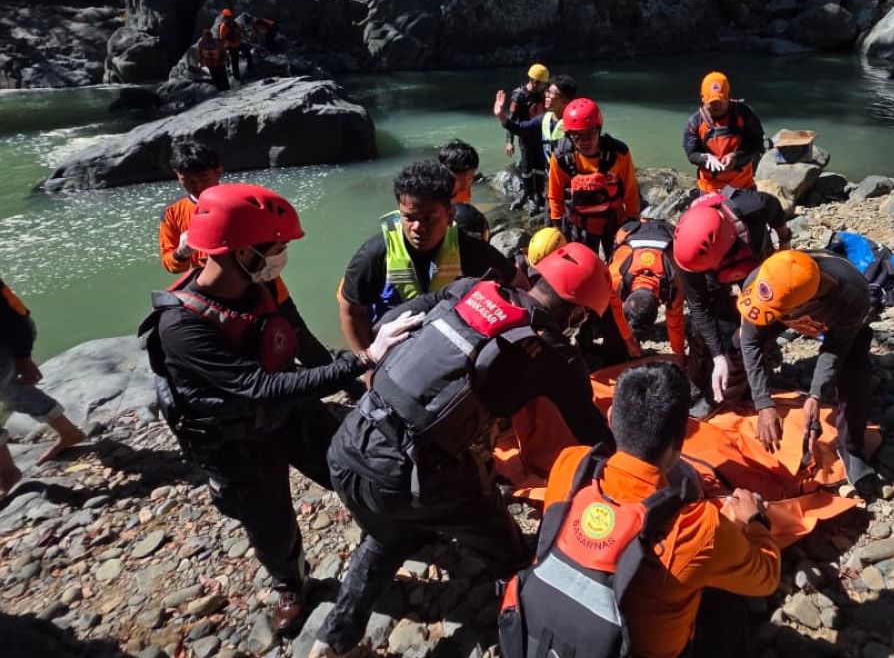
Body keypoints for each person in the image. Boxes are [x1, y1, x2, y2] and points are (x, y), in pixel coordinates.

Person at [140, 184, 424, 635]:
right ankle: (292, 583)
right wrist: (366, 356)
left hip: (292, 411)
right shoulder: (182, 324)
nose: (282, 255)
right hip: (235, 441)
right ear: (241, 252)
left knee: (353, 470)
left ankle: (393, 530)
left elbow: (302, 342)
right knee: (271, 525)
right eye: (276, 247)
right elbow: (260, 387)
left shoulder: (261, 283)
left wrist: (361, 384)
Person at [308, 244, 616, 658]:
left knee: (386, 537)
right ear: (577, 313)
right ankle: (529, 631)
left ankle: (332, 641)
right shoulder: (552, 351)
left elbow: (391, 321)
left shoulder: (471, 288)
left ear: (538, 277)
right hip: (411, 475)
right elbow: (593, 435)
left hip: (348, 446)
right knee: (504, 545)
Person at [508, 361, 780, 658]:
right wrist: (754, 521)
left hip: (542, 633)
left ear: (611, 418)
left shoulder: (571, 465)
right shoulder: (698, 527)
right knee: (725, 592)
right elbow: (766, 577)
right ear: (680, 445)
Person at [158, 140, 332, 368]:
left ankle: (341, 379)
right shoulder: (173, 214)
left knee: (298, 337)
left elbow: (278, 236)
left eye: (203, 178)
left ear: (218, 170)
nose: (197, 186)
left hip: (265, 286)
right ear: (177, 175)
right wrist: (182, 252)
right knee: (250, 348)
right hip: (217, 296)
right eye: (188, 180)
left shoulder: (245, 200)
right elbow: (171, 265)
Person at [337, 161, 525, 356]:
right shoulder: (375, 254)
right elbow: (350, 310)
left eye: (428, 218)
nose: (417, 227)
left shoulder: (469, 247)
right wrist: (367, 362)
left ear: (450, 215)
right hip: (392, 352)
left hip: (446, 346)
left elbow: (518, 282)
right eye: (409, 217)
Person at [737, 249, 881, 499]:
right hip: (782, 312)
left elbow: (835, 347)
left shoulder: (851, 294)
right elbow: (750, 343)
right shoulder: (764, 278)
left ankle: (851, 448)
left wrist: (815, 395)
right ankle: (738, 396)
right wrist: (763, 402)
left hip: (838, 328)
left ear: (808, 303)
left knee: (856, 369)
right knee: (736, 347)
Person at [672, 188, 790, 417]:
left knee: (747, 333)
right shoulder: (688, 249)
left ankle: (729, 391)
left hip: (753, 258)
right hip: (713, 271)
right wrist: (717, 356)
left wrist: (784, 238)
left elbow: (775, 209)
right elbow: (699, 307)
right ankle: (699, 377)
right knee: (700, 328)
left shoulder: (754, 208)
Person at [0, 276, 86, 493]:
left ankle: (7, 474)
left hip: (6, 342)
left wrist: (23, 359)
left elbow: (16, 317)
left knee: (12, 392)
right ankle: (70, 433)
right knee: (13, 392)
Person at [547, 98, 640, 259]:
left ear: (599, 129)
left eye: (590, 134)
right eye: (577, 136)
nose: (585, 142)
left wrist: (633, 220)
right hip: (579, 224)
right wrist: (557, 229)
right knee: (584, 267)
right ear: (569, 135)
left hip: (613, 220)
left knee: (618, 263)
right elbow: (555, 195)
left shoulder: (618, 153)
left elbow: (630, 190)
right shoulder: (562, 157)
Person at [493, 75, 576, 213]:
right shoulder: (545, 118)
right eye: (547, 92)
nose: (547, 95)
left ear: (565, 100)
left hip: (570, 183)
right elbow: (520, 128)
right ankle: (531, 197)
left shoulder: (573, 123)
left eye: (551, 93)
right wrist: (501, 115)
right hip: (553, 180)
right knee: (551, 219)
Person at [610, 219, 686, 357]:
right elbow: (616, 310)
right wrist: (628, 340)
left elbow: (675, 323)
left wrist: (678, 354)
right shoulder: (615, 277)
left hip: (667, 232)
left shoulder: (674, 285)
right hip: (632, 229)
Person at [683, 71, 765, 194]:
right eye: (712, 102)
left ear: (728, 96)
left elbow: (757, 145)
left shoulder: (744, 113)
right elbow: (692, 154)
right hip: (710, 188)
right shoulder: (695, 122)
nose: (717, 106)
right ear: (702, 98)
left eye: (721, 100)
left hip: (742, 185)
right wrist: (705, 158)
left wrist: (736, 157)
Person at [498, 64, 550, 211]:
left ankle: (539, 194)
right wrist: (509, 142)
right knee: (527, 167)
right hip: (525, 136)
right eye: (544, 83)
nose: (546, 86)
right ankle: (528, 195)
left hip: (541, 136)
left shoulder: (542, 94)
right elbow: (512, 121)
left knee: (540, 166)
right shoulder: (519, 96)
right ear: (535, 82)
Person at [439, 139, 480, 205]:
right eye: (460, 180)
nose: (465, 184)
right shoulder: (438, 193)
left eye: (470, 178)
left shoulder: (465, 185)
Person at [219, 8, 252, 81]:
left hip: (238, 43)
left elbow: (239, 31)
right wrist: (224, 48)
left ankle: (250, 70)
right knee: (235, 62)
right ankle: (237, 78)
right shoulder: (223, 27)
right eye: (228, 17)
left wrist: (243, 36)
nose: (229, 18)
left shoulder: (233, 23)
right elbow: (222, 39)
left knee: (248, 54)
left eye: (230, 17)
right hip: (231, 46)